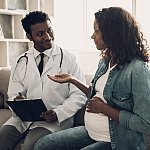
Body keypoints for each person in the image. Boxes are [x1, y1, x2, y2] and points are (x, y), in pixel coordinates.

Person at [34, 7, 150, 150]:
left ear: (112, 33)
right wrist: (72, 79)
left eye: (96, 30)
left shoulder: (137, 69)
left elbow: (145, 123)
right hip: (91, 133)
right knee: (42, 145)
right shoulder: (106, 60)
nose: (92, 36)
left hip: (117, 141)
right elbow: (97, 95)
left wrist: (104, 109)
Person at [0, 11, 86, 150]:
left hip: (55, 120)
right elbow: (13, 92)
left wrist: (58, 113)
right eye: (40, 34)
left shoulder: (69, 59)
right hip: (23, 119)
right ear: (29, 36)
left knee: (29, 146)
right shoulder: (21, 61)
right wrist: (17, 100)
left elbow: (79, 95)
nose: (48, 37)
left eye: (49, 30)